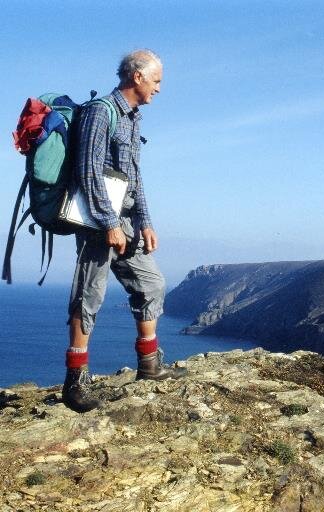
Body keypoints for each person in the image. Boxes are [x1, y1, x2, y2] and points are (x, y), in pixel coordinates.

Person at [63, 49, 186, 413]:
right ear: (137, 76)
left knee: (151, 283)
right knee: (90, 294)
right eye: (157, 80)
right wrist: (109, 223)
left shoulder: (132, 118)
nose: (159, 89)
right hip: (97, 221)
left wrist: (145, 221)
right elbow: (87, 172)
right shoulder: (101, 111)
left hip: (126, 220)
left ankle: (148, 364)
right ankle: (76, 381)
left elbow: (135, 177)